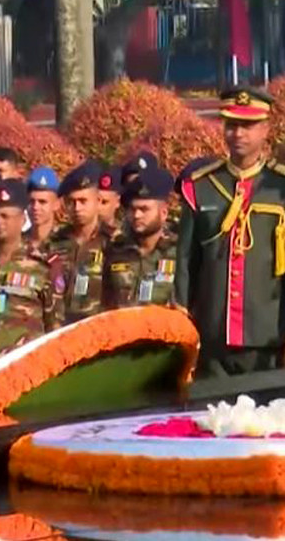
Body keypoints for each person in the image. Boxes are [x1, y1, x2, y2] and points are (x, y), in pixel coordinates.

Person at [177, 88, 285, 376]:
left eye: (248, 126)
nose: (238, 134)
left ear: (266, 129)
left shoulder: (280, 188)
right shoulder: (200, 186)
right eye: (232, 125)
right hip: (212, 333)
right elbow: (186, 261)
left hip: (267, 333)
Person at [0, 179, 66, 366]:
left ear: (21, 219)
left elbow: (55, 327)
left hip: (26, 368)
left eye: (5, 216)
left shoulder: (43, 267)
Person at [102, 167, 177, 310]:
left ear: (163, 213)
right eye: (132, 209)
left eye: (144, 209)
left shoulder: (179, 253)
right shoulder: (115, 250)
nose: (137, 216)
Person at [48, 160, 113, 323]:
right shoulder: (54, 242)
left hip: (99, 330)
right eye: (72, 202)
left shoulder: (114, 243)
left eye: (83, 201)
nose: (77, 208)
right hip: (61, 330)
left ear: (98, 201)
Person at [26, 166, 61, 249]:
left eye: (42, 202)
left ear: (56, 205)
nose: (35, 207)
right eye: (31, 201)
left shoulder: (64, 242)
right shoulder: (16, 243)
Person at [97, 165, 123, 232]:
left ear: (117, 202)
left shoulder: (126, 236)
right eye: (95, 201)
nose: (98, 207)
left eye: (104, 202)